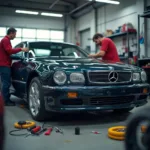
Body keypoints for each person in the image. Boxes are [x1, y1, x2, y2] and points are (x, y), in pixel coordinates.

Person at [0, 27, 29, 106]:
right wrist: (21, 49)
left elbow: (8, 53)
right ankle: (5, 101)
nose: (15, 36)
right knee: (6, 83)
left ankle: (5, 100)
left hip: (4, 64)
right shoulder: (5, 40)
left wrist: (17, 56)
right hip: (4, 65)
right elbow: (9, 51)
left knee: (5, 83)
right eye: (15, 34)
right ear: (11, 33)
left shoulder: (6, 40)